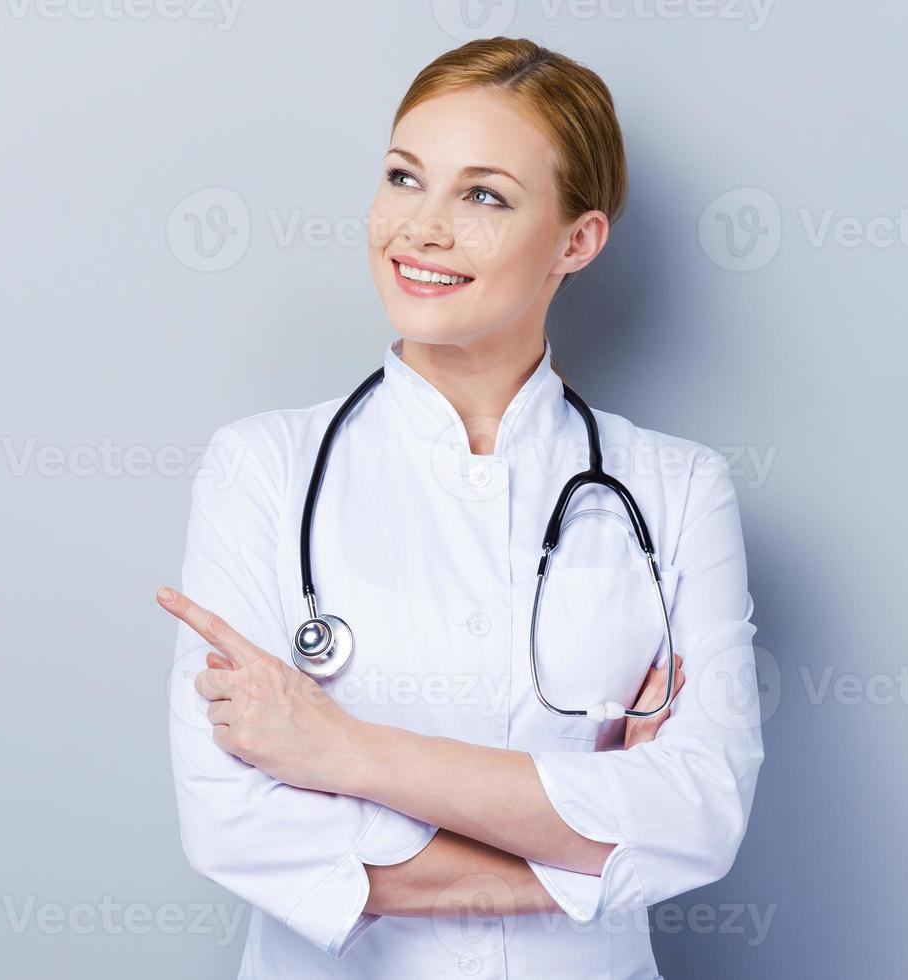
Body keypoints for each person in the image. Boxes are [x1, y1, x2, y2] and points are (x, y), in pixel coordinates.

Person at [157, 36, 764, 979]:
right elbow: (233, 821)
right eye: (404, 178)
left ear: (577, 239)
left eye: (483, 195)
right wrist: (591, 847)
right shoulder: (262, 469)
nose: (421, 228)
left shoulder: (675, 489)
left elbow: (699, 816)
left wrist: (339, 751)